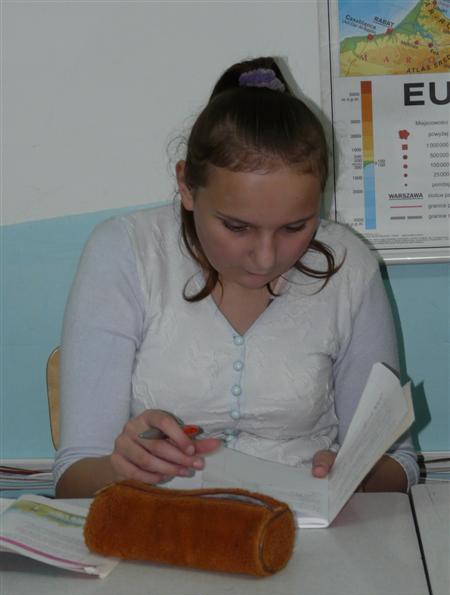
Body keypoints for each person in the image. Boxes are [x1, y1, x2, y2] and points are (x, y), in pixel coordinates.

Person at [54, 57, 419, 498]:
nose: (265, 259)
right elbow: (73, 478)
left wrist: (355, 475)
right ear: (187, 187)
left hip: (309, 528)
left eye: (295, 226)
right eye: (236, 227)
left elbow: (399, 462)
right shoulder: (126, 252)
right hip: (164, 521)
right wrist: (124, 469)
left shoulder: (349, 264)